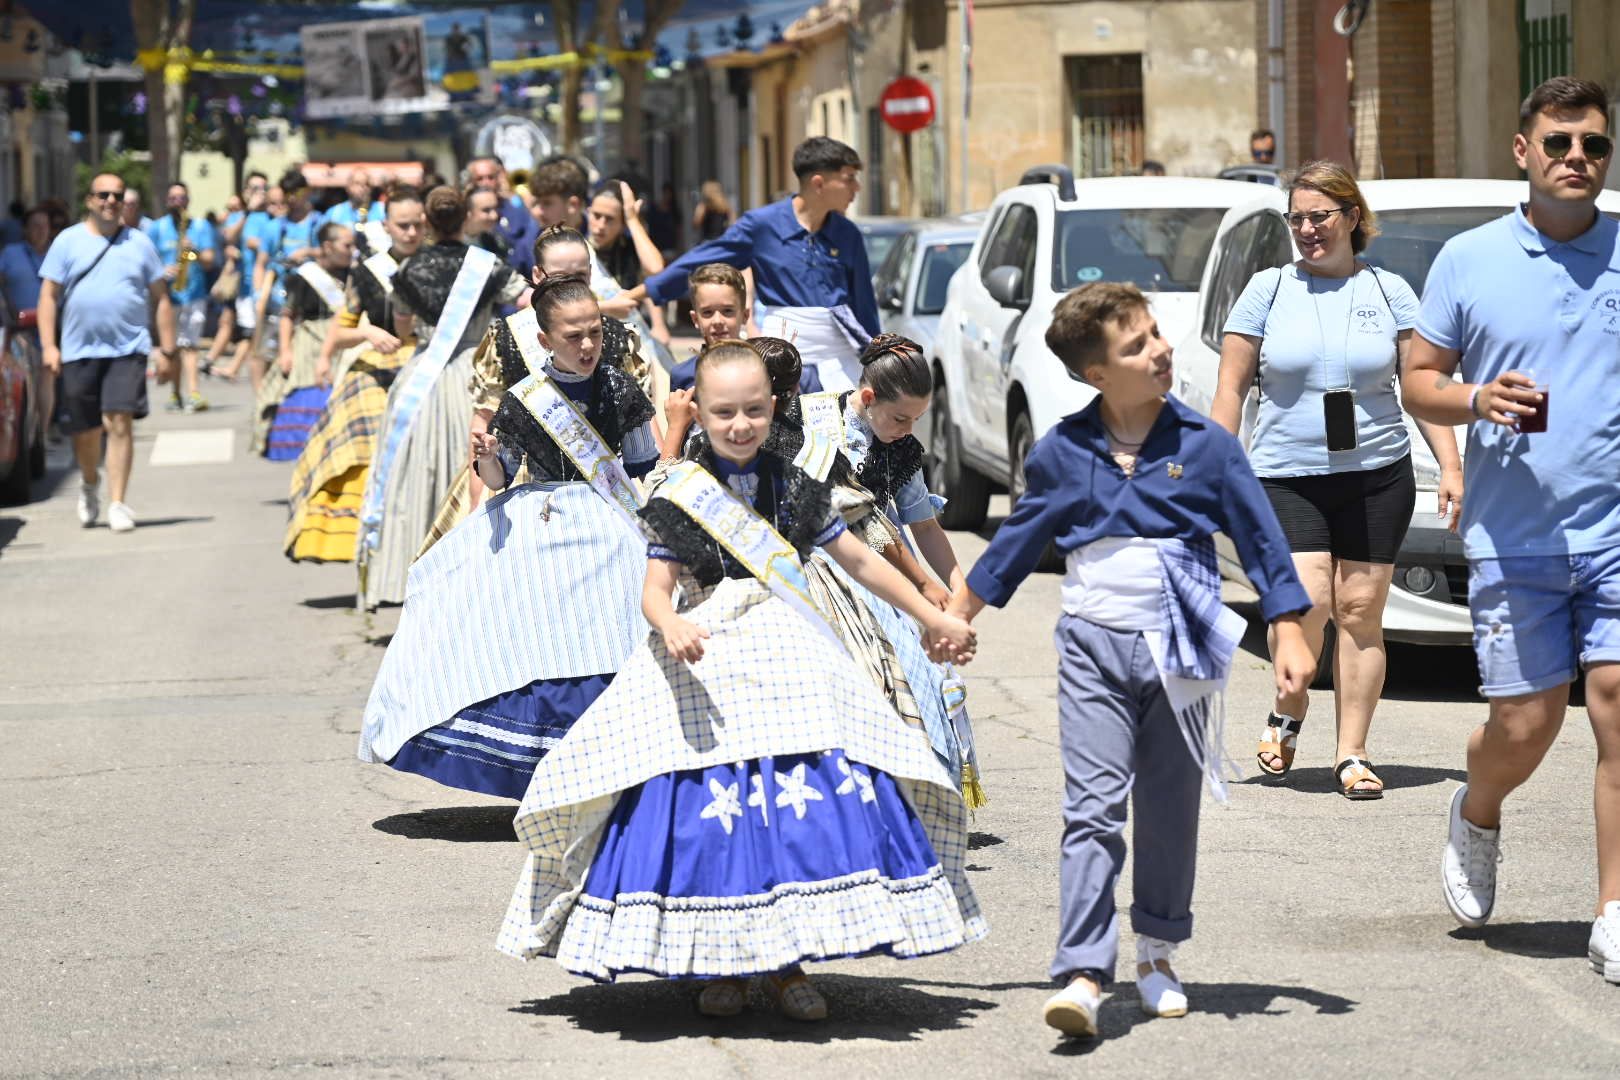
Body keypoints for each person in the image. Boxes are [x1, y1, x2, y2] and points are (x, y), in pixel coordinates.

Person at [496, 341, 985, 1019]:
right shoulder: (681, 491)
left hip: (787, 643)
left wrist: (934, 614)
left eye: (754, 410)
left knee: (799, 801)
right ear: (698, 411)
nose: (740, 424)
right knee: (705, 809)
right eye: (724, 412)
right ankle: (715, 963)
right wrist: (669, 625)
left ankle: (788, 964)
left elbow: (860, 559)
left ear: (773, 407)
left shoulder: (796, 482)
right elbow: (655, 590)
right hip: (705, 649)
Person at [946, 281, 1313, 1038]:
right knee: (1092, 808)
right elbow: (1016, 541)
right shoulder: (1063, 450)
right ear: (1095, 375)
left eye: (1155, 333)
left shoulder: (1206, 447)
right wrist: (957, 613)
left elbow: (1262, 540)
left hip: (1181, 641)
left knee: (1169, 808)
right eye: (1137, 344)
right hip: (1093, 645)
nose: (1161, 349)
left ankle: (1156, 952)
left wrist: (1291, 630)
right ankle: (1082, 969)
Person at [1400, 76, 1620, 982]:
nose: (1578, 159)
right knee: (1525, 725)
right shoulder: (1469, 258)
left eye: (1595, 146)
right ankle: (1479, 808)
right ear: (1523, 152)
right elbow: (1417, 379)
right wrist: (1475, 399)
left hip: (1616, 531)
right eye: (1560, 143)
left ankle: (1613, 910)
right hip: (1515, 532)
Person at [1212, 160, 1464, 799]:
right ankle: (1286, 713)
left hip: (1377, 472)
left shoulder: (1390, 292)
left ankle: (1352, 753)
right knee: (1308, 603)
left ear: (1353, 217)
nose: (1306, 229)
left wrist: (1452, 466)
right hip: (1286, 474)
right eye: (1296, 218)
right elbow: (1231, 389)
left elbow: (1420, 390)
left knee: (1360, 611)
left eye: (1319, 216)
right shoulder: (1267, 290)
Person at [359, 274, 658, 796]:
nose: (587, 345)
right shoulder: (525, 399)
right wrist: (490, 459)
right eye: (573, 335)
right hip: (542, 519)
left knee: (616, 633)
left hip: (613, 523)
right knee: (535, 640)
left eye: (595, 332)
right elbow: (501, 477)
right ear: (544, 340)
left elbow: (641, 465)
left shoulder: (621, 386)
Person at [356, 185, 529, 610]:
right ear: (467, 216)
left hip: (426, 376)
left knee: (417, 473)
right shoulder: (489, 266)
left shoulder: (409, 269)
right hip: (479, 372)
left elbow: (402, 331)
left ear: (429, 223)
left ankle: (409, 576)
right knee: (475, 466)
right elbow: (528, 303)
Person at [623, 137, 878, 392]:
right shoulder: (762, 226)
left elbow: (864, 309)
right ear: (818, 183)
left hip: (840, 367)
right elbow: (700, 260)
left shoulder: (848, 235)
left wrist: (878, 360)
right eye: (849, 178)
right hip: (783, 362)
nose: (856, 187)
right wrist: (634, 296)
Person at [285, 186, 424, 564]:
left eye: (417, 225)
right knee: (360, 447)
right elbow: (341, 331)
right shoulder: (368, 274)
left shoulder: (442, 265)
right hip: (380, 369)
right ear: (387, 226)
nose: (411, 233)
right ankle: (365, 545)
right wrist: (365, 333)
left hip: (429, 367)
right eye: (403, 225)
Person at [36, 173, 177, 533]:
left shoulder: (140, 243)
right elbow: (48, 297)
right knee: (85, 431)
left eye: (117, 195)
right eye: (103, 195)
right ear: (89, 200)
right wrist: (50, 346)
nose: (111, 201)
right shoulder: (67, 242)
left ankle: (118, 502)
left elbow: (161, 298)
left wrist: (166, 349)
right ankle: (88, 482)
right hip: (78, 349)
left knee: (119, 421)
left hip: (127, 348)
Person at [261, 222, 352, 461]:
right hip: (310, 344)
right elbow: (287, 316)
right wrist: (285, 351)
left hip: (344, 341)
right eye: (347, 245)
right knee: (310, 398)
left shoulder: (353, 274)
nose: (351, 250)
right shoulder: (304, 277)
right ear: (327, 246)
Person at [145, 182, 218, 414]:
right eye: (173, 198)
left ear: (189, 200)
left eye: (182, 198)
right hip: (168, 297)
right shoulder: (157, 228)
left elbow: (209, 260)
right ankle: (176, 393)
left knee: (191, 345)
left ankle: (194, 393)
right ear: (167, 201)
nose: (178, 203)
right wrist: (162, 270)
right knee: (173, 347)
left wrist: (192, 251)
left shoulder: (200, 226)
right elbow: (147, 261)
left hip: (194, 293)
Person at [468, 155, 536, 277]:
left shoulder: (516, 207)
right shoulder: (464, 212)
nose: (486, 183)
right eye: (480, 178)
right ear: (471, 181)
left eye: (490, 177)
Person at [322, 167, 387, 252]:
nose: (363, 188)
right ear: (348, 187)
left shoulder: (383, 209)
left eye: (367, 184)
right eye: (357, 183)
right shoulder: (334, 213)